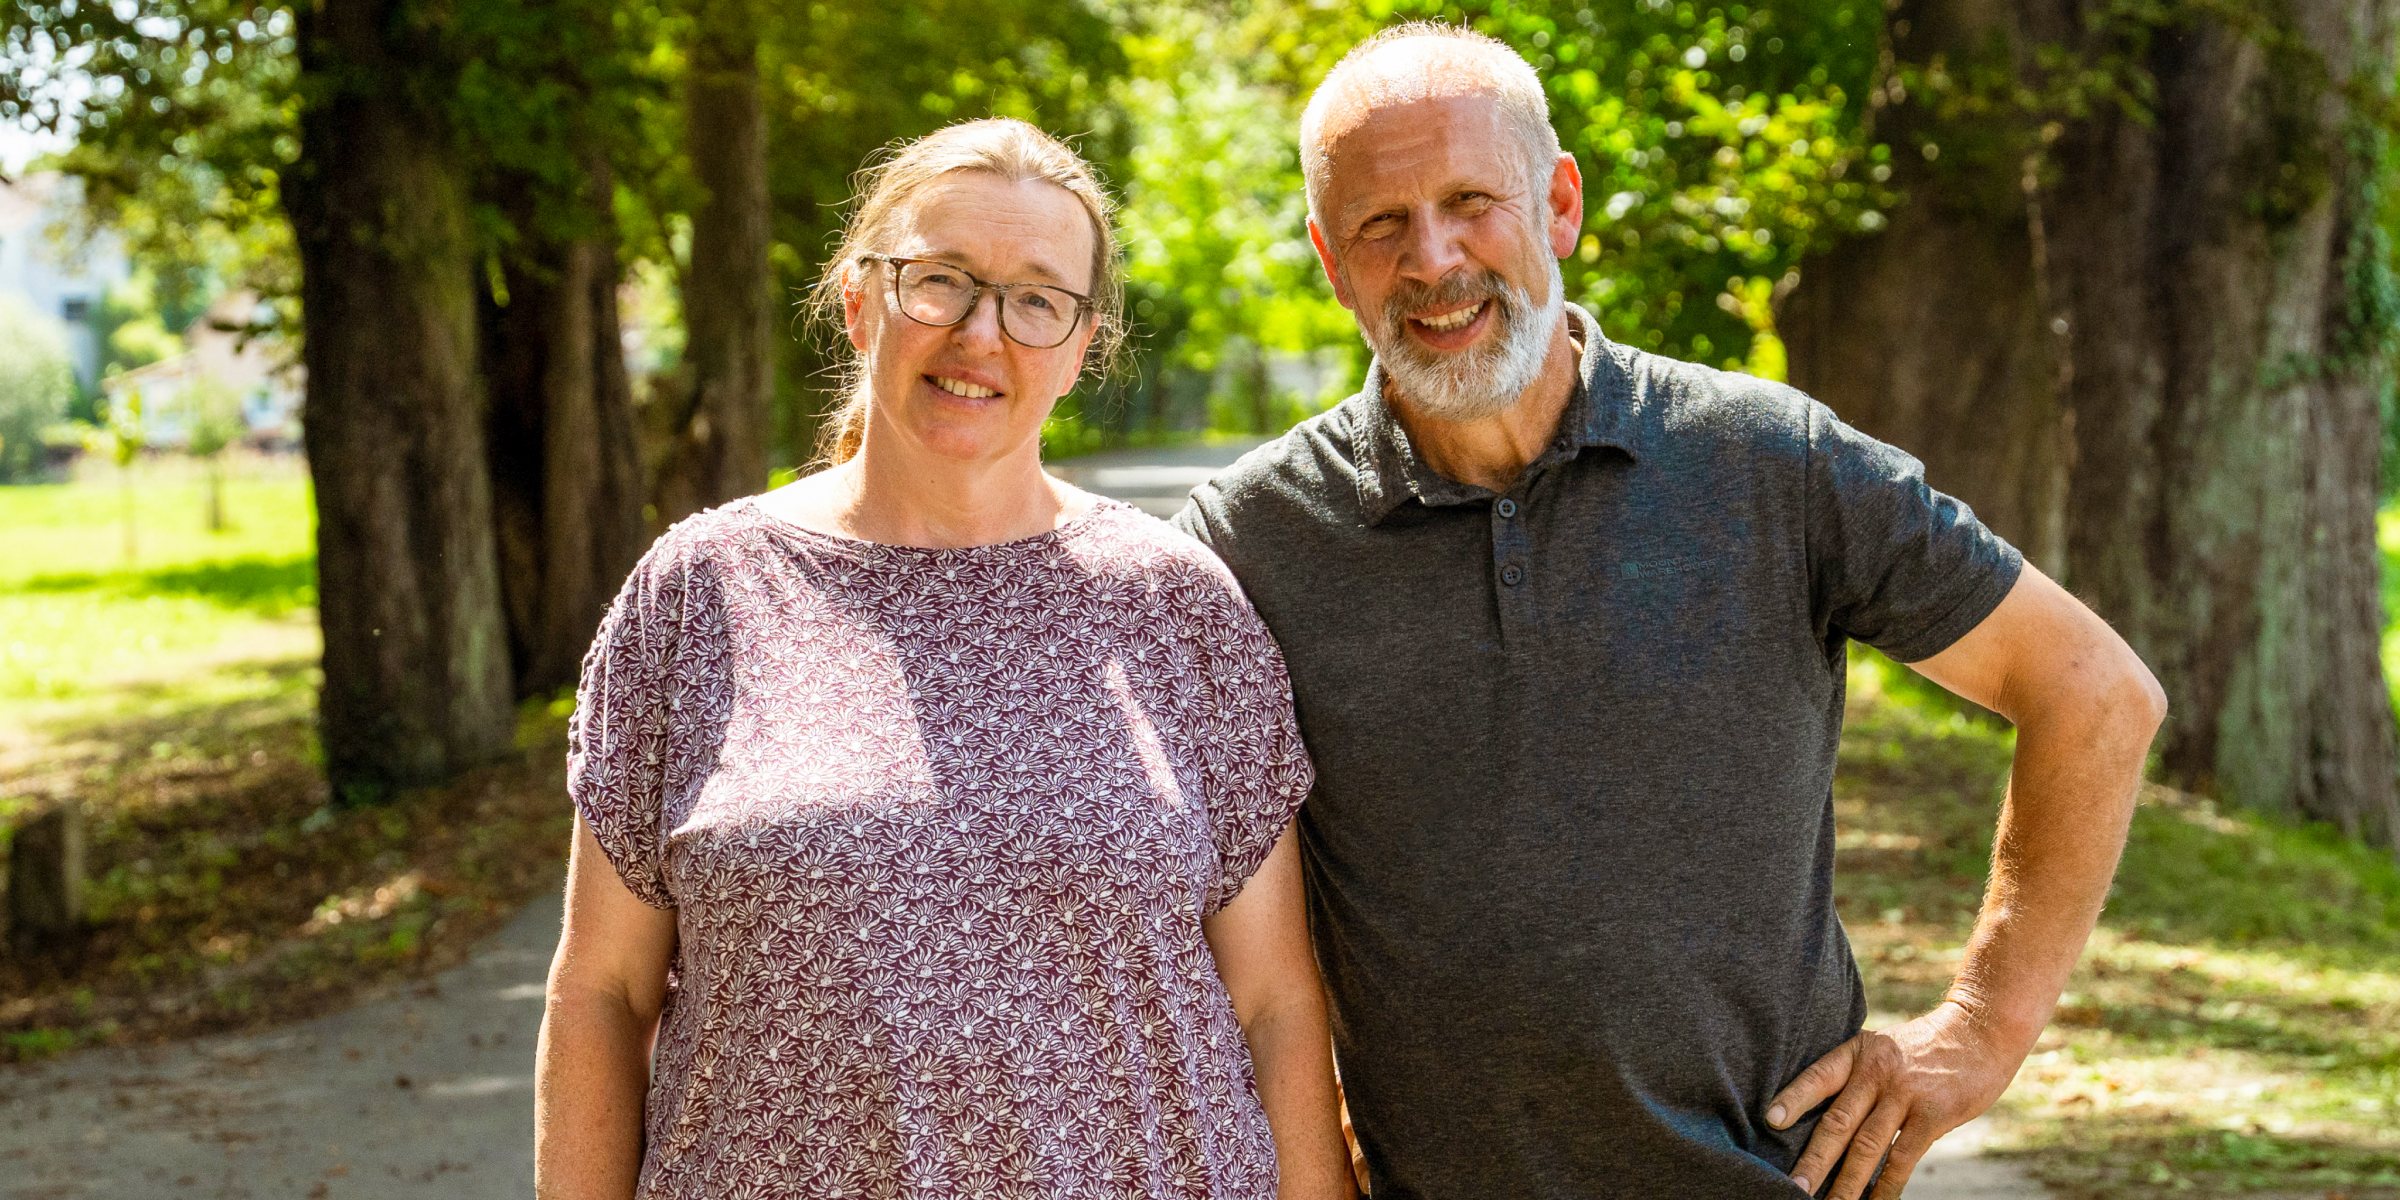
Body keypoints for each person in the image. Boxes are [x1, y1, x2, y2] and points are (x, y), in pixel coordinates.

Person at [1172, 24, 2169, 1200]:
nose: (1433, 259)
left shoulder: (1768, 460)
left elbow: (2094, 692)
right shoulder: (1250, 542)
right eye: (1380, 224)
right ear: (1332, 261)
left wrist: (1976, 1037)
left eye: (1470, 201)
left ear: (1558, 205)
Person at [534, 117, 1355, 1200]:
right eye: (943, 281)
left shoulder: (1179, 607)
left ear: (1079, 350)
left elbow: (1277, 1007)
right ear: (860, 300)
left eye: (1035, 300)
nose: (981, 333)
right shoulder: (702, 594)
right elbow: (602, 990)